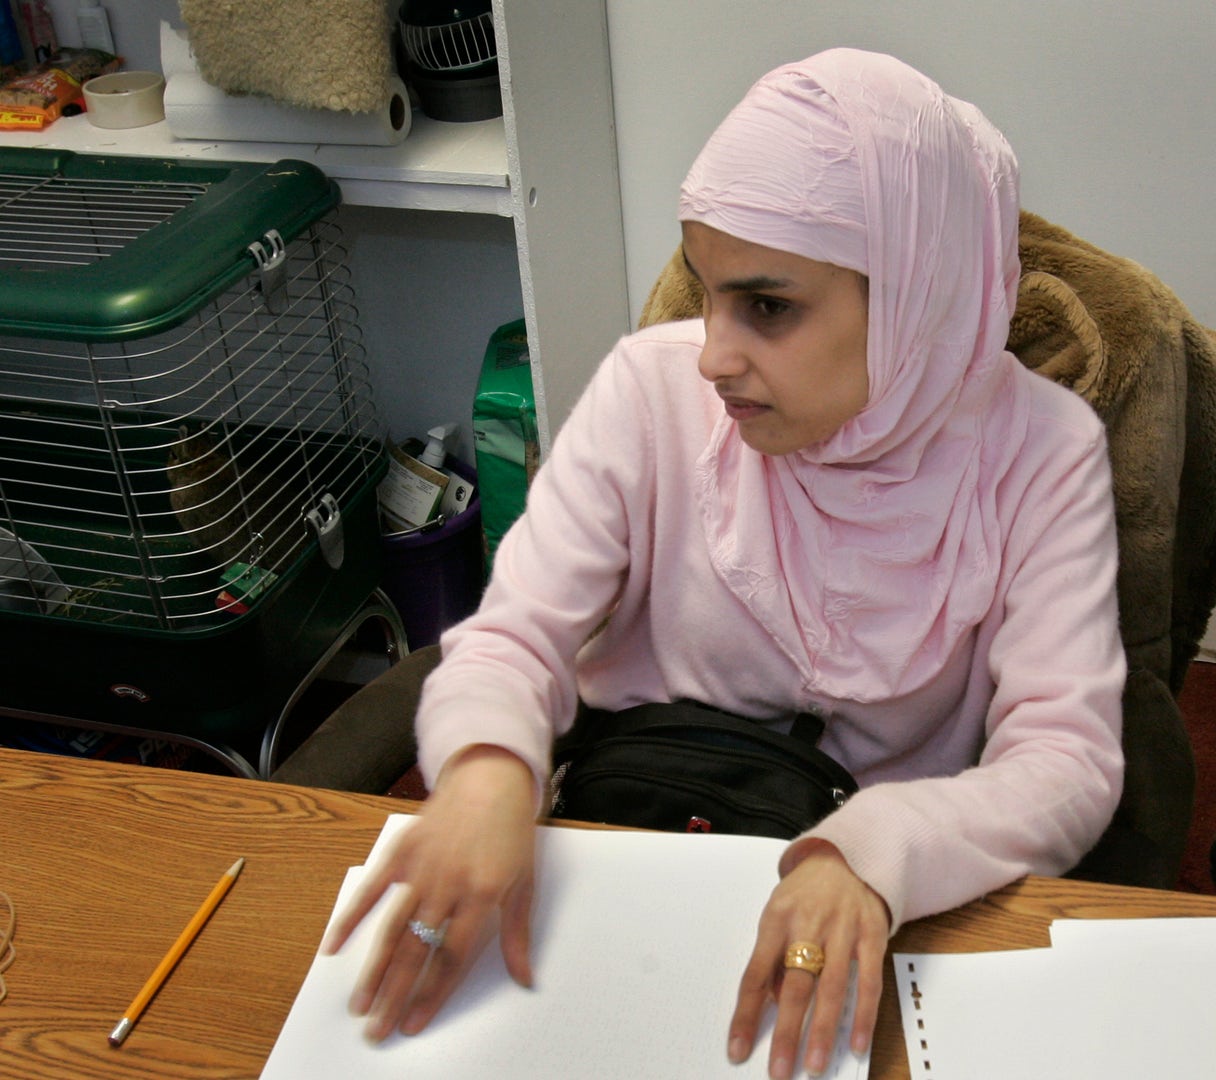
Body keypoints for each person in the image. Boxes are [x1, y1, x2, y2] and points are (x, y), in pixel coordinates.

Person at [321, 47, 1126, 1078]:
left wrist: (875, 854)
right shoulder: (650, 394)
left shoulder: (1043, 452)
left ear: (920, 293)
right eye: (707, 293)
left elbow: (1067, 761)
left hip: (867, 901)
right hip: (627, 845)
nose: (711, 355)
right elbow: (514, 638)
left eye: (769, 307)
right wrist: (484, 774)